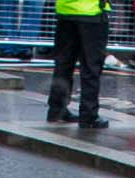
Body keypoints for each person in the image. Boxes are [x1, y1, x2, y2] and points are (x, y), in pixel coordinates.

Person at [45, 0, 108, 129]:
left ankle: (57, 110)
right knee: (91, 67)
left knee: (63, 64)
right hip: (91, 13)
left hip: (65, 11)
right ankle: (88, 116)